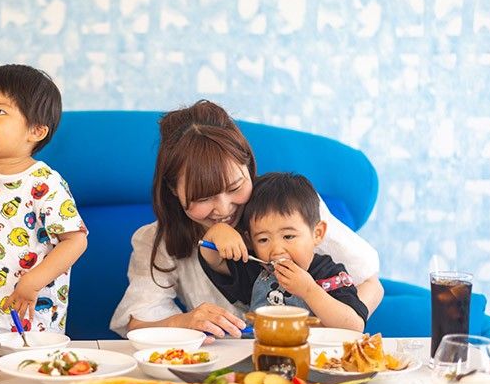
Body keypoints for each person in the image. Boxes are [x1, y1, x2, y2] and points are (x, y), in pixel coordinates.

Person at [110, 99, 383, 338]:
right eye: (203, 197)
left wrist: (321, 325)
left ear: (249, 166)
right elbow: (138, 324)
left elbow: (370, 283)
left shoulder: (291, 209)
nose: (223, 208)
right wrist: (185, 322)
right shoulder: (158, 240)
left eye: (235, 187)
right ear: (174, 191)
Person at [0, 64, 88, 338]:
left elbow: (76, 240)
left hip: (28, 316)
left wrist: (32, 283)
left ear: (35, 131)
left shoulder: (44, 182)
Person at [199, 172, 367, 331]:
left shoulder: (330, 273)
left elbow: (354, 326)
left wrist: (309, 290)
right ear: (250, 241)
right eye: (263, 239)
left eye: (288, 236)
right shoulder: (256, 270)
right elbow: (212, 259)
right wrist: (218, 231)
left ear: (317, 233)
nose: (277, 250)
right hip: (261, 354)